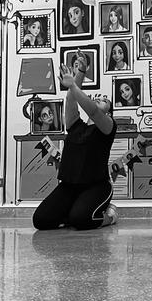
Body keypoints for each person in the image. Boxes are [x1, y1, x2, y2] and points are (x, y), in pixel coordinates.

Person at [32, 52, 118, 231]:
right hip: (70, 186)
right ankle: (72, 211)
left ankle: (110, 216)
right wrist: (81, 72)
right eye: (98, 97)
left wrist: (73, 85)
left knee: (81, 220)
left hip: (97, 186)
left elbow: (93, 111)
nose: (99, 99)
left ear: (108, 112)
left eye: (104, 100)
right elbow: (71, 99)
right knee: (41, 220)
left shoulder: (108, 126)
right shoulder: (75, 125)